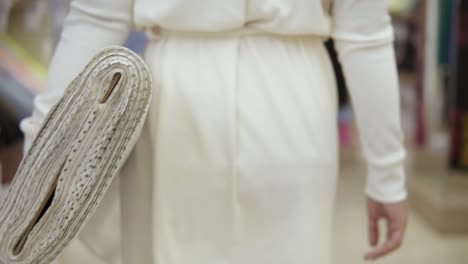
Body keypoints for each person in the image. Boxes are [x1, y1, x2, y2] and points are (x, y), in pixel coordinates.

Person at [19, 0, 408, 263]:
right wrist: (387, 176)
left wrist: (39, 143)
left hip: (179, 87)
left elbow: (97, 17)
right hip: (292, 89)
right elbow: (365, 36)